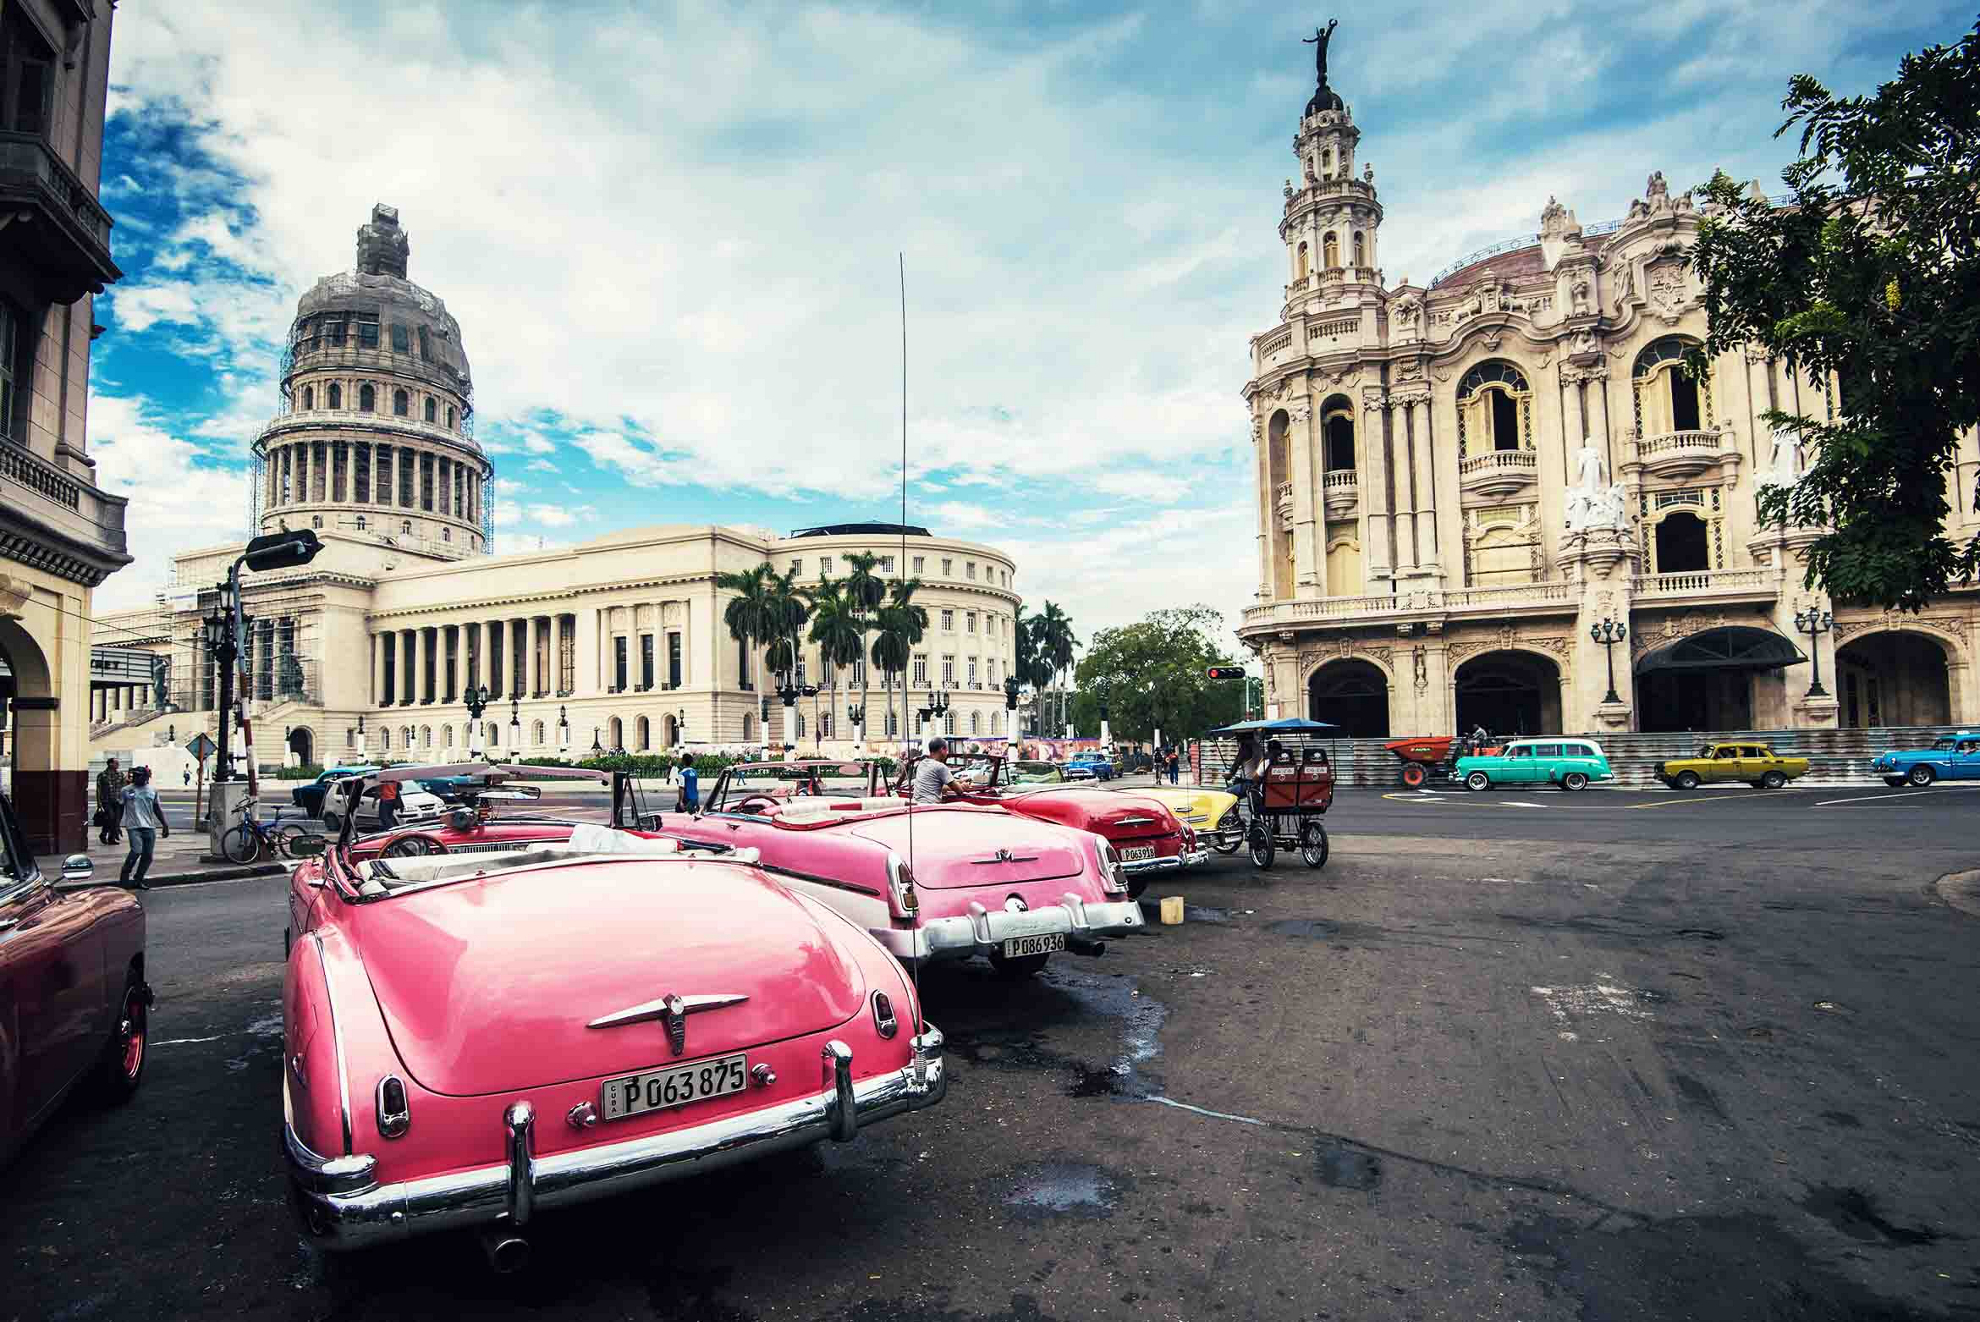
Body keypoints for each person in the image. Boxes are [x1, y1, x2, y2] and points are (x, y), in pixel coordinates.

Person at [119, 765, 169, 889]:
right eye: (134, 775)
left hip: (149, 827)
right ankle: (124, 875)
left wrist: (165, 824)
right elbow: (120, 808)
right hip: (133, 826)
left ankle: (138, 879)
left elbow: (157, 808)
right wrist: (116, 826)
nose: (135, 777)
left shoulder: (152, 790)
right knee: (136, 850)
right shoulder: (126, 790)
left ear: (146, 777)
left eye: (139, 775)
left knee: (148, 856)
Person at [912, 737, 957, 804]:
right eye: (947, 750)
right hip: (931, 807)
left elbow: (933, 785)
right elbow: (959, 790)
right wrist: (964, 786)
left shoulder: (922, 764)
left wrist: (960, 781)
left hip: (916, 805)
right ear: (942, 750)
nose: (947, 753)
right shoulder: (940, 767)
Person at [96, 757, 124, 846]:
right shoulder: (102, 775)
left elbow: (124, 787)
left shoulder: (120, 774)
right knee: (110, 818)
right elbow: (98, 789)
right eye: (116, 763)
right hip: (106, 801)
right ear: (110, 764)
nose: (118, 764)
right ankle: (103, 834)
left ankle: (111, 838)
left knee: (116, 820)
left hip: (118, 801)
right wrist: (99, 803)